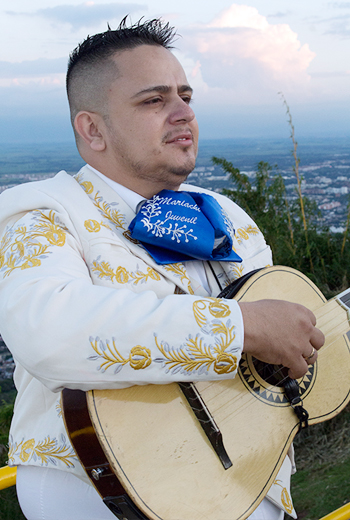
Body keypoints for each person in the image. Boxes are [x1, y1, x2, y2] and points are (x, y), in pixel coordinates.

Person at [0, 17, 324, 520]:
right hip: (103, 491)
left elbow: (278, 355)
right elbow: (49, 332)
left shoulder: (227, 217)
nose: (182, 114)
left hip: (251, 481)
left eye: (186, 96)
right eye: (154, 100)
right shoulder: (42, 211)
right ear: (92, 128)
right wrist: (242, 327)